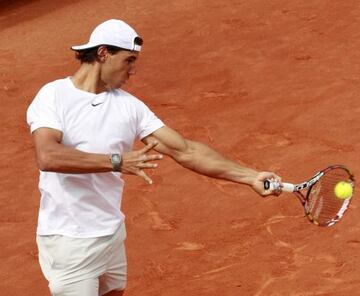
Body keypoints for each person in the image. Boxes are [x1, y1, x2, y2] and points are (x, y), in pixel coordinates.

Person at [26, 19, 281, 296]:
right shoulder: (53, 95)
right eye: (129, 60)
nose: (133, 71)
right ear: (103, 54)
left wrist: (250, 177)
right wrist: (116, 161)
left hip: (111, 233)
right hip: (70, 242)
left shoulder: (130, 107)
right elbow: (48, 156)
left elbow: (185, 150)